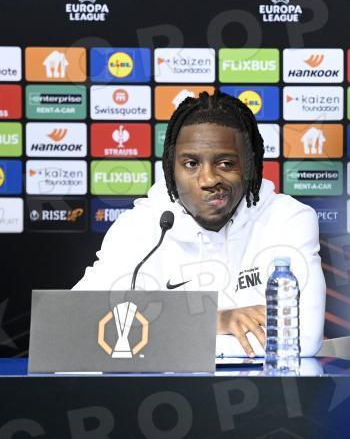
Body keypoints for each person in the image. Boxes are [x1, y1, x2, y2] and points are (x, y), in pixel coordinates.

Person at [74, 91, 326, 358]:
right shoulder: (139, 225)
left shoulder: (288, 218)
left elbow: (301, 338)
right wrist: (213, 321)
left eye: (226, 163)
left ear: (250, 164)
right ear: (172, 167)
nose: (208, 179)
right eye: (191, 163)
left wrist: (153, 336)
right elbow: (77, 322)